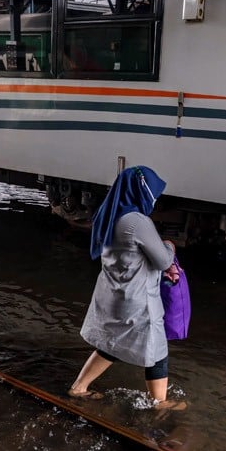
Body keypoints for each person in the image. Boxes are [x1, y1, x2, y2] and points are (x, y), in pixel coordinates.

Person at [69, 166, 186, 411]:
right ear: (142, 191)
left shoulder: (108, 213)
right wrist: (169, 245)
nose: (155, 199)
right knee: (158, 350)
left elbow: (131, 252)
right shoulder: (137, 221)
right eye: (153, 194)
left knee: (112, 343)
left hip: (112, 293)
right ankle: (159, 404)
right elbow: (163, 260)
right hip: (137, 299)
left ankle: (79, 388)